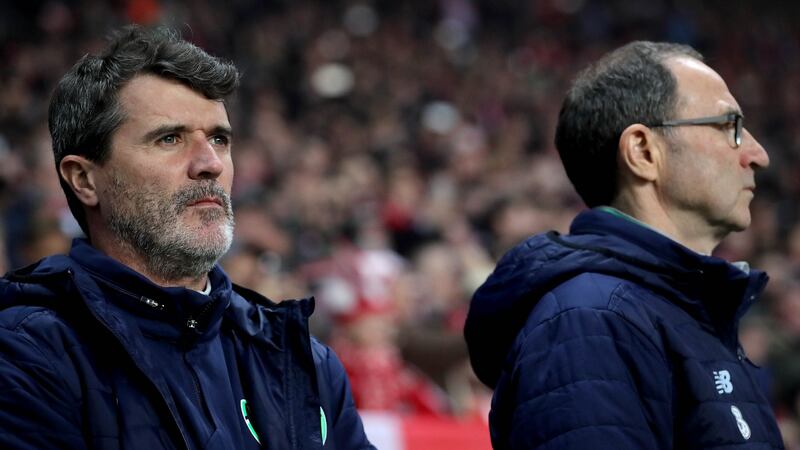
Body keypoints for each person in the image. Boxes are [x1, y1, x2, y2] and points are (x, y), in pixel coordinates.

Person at [0, 25, 374, 450]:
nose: (210, 163)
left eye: (219, 138)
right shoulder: (25, 354)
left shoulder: (301, 363)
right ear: (84, 179)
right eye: (170, 138)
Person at [464, 41, 785, 449]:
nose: (758, 155)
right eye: (730, 126)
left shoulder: (678, 310)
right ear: (643, 151)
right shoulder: (590, 320)